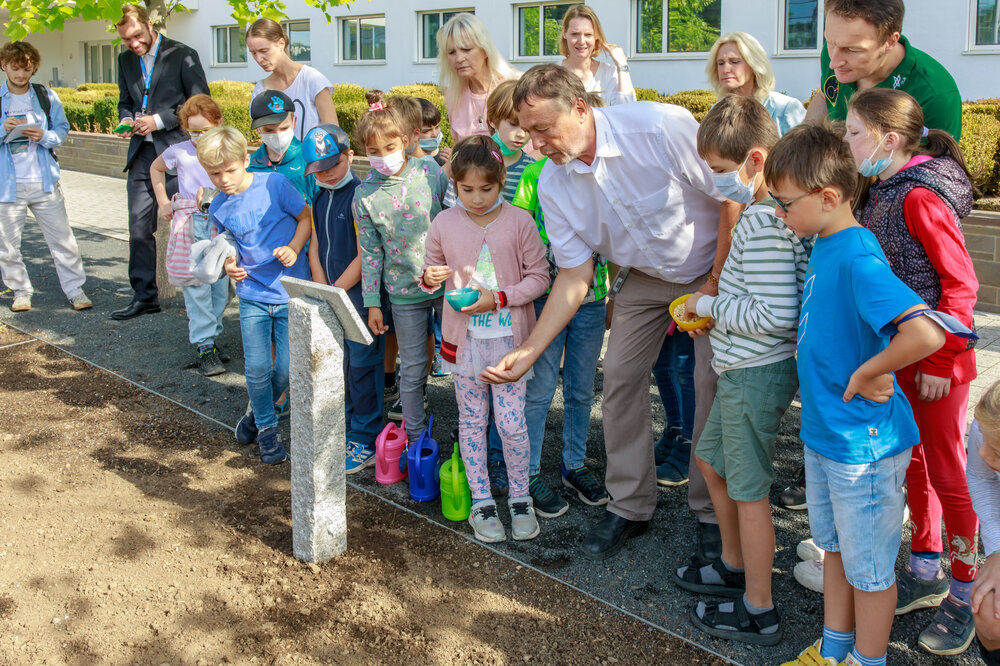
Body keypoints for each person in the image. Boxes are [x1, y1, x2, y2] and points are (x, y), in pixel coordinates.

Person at [482, 64, 727, 565]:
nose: (535, 144)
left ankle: (712, 513)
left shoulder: (660, 126)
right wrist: (529, 352)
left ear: (580, 107)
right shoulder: (552, 183)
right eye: (527, 133)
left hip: (711, 269)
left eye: (543, 129)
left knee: (710, 383)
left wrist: (715, 283)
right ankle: (631, 505)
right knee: (617, 378)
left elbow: (731, 197)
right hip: (642, 277)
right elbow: (574, 278)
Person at [771, 123, 949, 666]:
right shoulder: (829, 240)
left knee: (869, 570)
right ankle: (835, 649)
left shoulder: (855, 255)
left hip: (862, 446)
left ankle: (867, 661)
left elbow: (926, 332)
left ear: (827, 198)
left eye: (785, 204)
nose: (780, 215)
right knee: (835, 552)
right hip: (829, 434)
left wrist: (868, 369)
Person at [673, 95, 809, 646]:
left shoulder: (765, 223)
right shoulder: (762, 214)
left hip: (756, 372)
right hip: (741, 367)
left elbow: (775, 316)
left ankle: (760, 607)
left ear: (756, 160)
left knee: (749, 491)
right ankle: (733, 563)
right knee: (710, 462)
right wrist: (716, 311)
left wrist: (707, 309)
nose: (716, 183)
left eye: (722, 172)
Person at [847, 88, 979, 656]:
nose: (849, 144)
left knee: (950, 473)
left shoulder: (919, 197)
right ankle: (925, 566)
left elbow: (961, 285)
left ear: (887, 139)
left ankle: (966, 591)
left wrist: (943, 361)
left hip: (937, 363)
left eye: (854, 134)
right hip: (907, 358)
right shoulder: (884, 189)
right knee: (917, 462)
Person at [420, 135, 549, 542]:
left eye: (486, 189)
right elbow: (429, 273)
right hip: (464, 344)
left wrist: (500, 297)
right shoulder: (443, 223)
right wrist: (430, 278)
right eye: (466, 189)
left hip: (511, 342)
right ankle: (481, 500)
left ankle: (520, 496)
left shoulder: (520, 221)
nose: (475, 198)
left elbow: (540, 278)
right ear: (454, 184)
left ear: (501, 180)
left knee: (511, 424)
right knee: (472, 421)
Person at [512, 94, 610, 518]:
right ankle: (529, 470)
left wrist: (610, 290)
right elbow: (518, 230)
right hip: (547, 297)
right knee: (539, 387)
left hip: (592, 299)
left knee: (581, 388)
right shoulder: (537, 175)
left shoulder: (608, 174)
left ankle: (574, 464)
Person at [198, 126, 312, 465]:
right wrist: (230, 265)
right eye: (214, 173)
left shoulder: (274, 185)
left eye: (230, 170)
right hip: (252, 295)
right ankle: (267, 430)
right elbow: (225, 242)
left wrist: (294, 248)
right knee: (258, 368)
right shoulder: (218, 204)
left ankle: (254, 416)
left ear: (247, 160)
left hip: (290, 292)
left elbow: (305, 217)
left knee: (286, 370)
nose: (224, 179)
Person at [354, 90, 449, 447]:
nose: (382, 157)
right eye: (372, 151)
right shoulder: (364, 195)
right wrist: (373, 303)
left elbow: (451, 220)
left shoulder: (430, 173)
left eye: (389, 147)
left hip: (446, 284)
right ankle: (414, 437)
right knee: (411, 367)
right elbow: (370, 252)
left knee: (462, 355)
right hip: (403, 294)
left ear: (407, 140)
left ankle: (474, 424)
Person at [111, 4, 209, 321]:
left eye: (137, 36)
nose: (134, 44)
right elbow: (126, 101)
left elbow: (200, 102)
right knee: (138, 230)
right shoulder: (125, 60)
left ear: (149, 25)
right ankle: (144, 296)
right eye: (127, 40)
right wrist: (128, 120)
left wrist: (158, 120)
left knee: (197, 227)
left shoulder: (183, 54)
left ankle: (210, 293)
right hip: (142, 155)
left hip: (180, 154)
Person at [302, 123, 385, 473]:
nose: (326, 174)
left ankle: (366, 435)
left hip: (360, 298)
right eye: (318, 169)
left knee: (363, 366)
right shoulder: (319, 192)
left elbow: (368, 252)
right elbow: (316, 242)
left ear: (350, 156)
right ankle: (348, 425)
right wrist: (322, 287)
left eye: (332, 166)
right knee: (340, 366)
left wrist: (337, 290)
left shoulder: (361, 195)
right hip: (332, 294)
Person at [0, 40, 90, 313]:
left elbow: (62, 128)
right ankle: (20, 292)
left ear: (34, 68)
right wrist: (3, 129)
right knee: (7, 246)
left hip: (45, 181)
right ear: (3, 66)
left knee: (63, 240)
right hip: (7, 186)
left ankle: (76, 291)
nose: (20, 75)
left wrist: (45, 136)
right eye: (14, 69)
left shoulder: (46, 96)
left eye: (26, 69)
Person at [803, 0, 962, 140]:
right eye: (829, 42)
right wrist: (801, 145)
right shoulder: (833, 53)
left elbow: (933, 171)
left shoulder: (935, 96)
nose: (834, 63)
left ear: (890, 42)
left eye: (852, 50)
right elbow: (825, 98)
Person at [150, 94, 227, 377]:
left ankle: (212, 338)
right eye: (193, 131)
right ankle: (205, 345)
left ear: (218, 124)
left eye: (204, 131)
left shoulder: (225, 148)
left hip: (221, 224)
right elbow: (156, 168)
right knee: (196, 287)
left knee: (220, 287)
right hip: (192, 223)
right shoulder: (180, 151)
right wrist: (163, 203)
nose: (198, 137)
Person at [246, 18, 338, 142]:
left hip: (316, 160)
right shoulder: (260, 90)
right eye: (253, 53)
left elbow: (334, 133)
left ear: (281, 44)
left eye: (263, 51)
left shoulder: (312, 79)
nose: (259, 58)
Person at [437, 13, 521, 142]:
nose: (459, 59)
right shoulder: (453, 95)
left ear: (485, 50)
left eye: (467, 49)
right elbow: (459, 148)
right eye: (452, 52)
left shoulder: (518, 84)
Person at [705, 32, 805, 137]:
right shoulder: (716, 111)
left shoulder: (785, 109)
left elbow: (805, 151)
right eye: (720, 63)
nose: (725, 70)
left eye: (734, 62)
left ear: (754, 65)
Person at [967, 381, 1000, 666]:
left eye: (997, 452)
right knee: (989, 610)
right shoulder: (989, 422)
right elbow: (981, 477)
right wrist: (997, 550)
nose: (982, 454)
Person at [559, 4, 635, 106]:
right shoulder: (551, 74)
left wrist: (622, 65)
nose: (581, 41)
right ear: (564, 33)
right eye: (575, 34)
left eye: (588, 35)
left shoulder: (610, 74)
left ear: (596, 35)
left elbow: (627, 110)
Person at [248, 89, 316, 203]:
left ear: (294, 122)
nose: (278, 134)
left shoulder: (310, 160)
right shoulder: (250, 166)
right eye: (269, 130)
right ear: (258, 129)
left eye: (284, 128)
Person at [417, 98, 448, 167]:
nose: (434, 134)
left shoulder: (446, 158)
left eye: (437, 127)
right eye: (426, 131)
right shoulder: (406, 164)